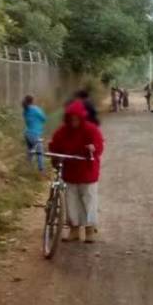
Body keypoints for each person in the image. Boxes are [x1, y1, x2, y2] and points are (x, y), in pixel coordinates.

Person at [49, 100, 104, 243]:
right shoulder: (62, 132)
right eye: (71, 119)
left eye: (76, 119)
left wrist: (93, 148)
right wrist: (55, 158)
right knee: (71, 201)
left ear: (81, 118)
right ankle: (74, 229)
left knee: (89, 201)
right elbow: (54, 146)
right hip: (70, 172)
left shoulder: (91, 129)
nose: (74, 122)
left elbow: (99, 145)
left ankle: (89, 229)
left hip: (87, 171)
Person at [22, 95, 46, 172]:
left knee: (30, 153)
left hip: (27, 134)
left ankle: (27, 170)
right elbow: (44, 118)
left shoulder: (25, 110)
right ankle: (41, 171)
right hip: (35, 134)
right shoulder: (36, 109)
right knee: (40, 153)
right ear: (32, 101)